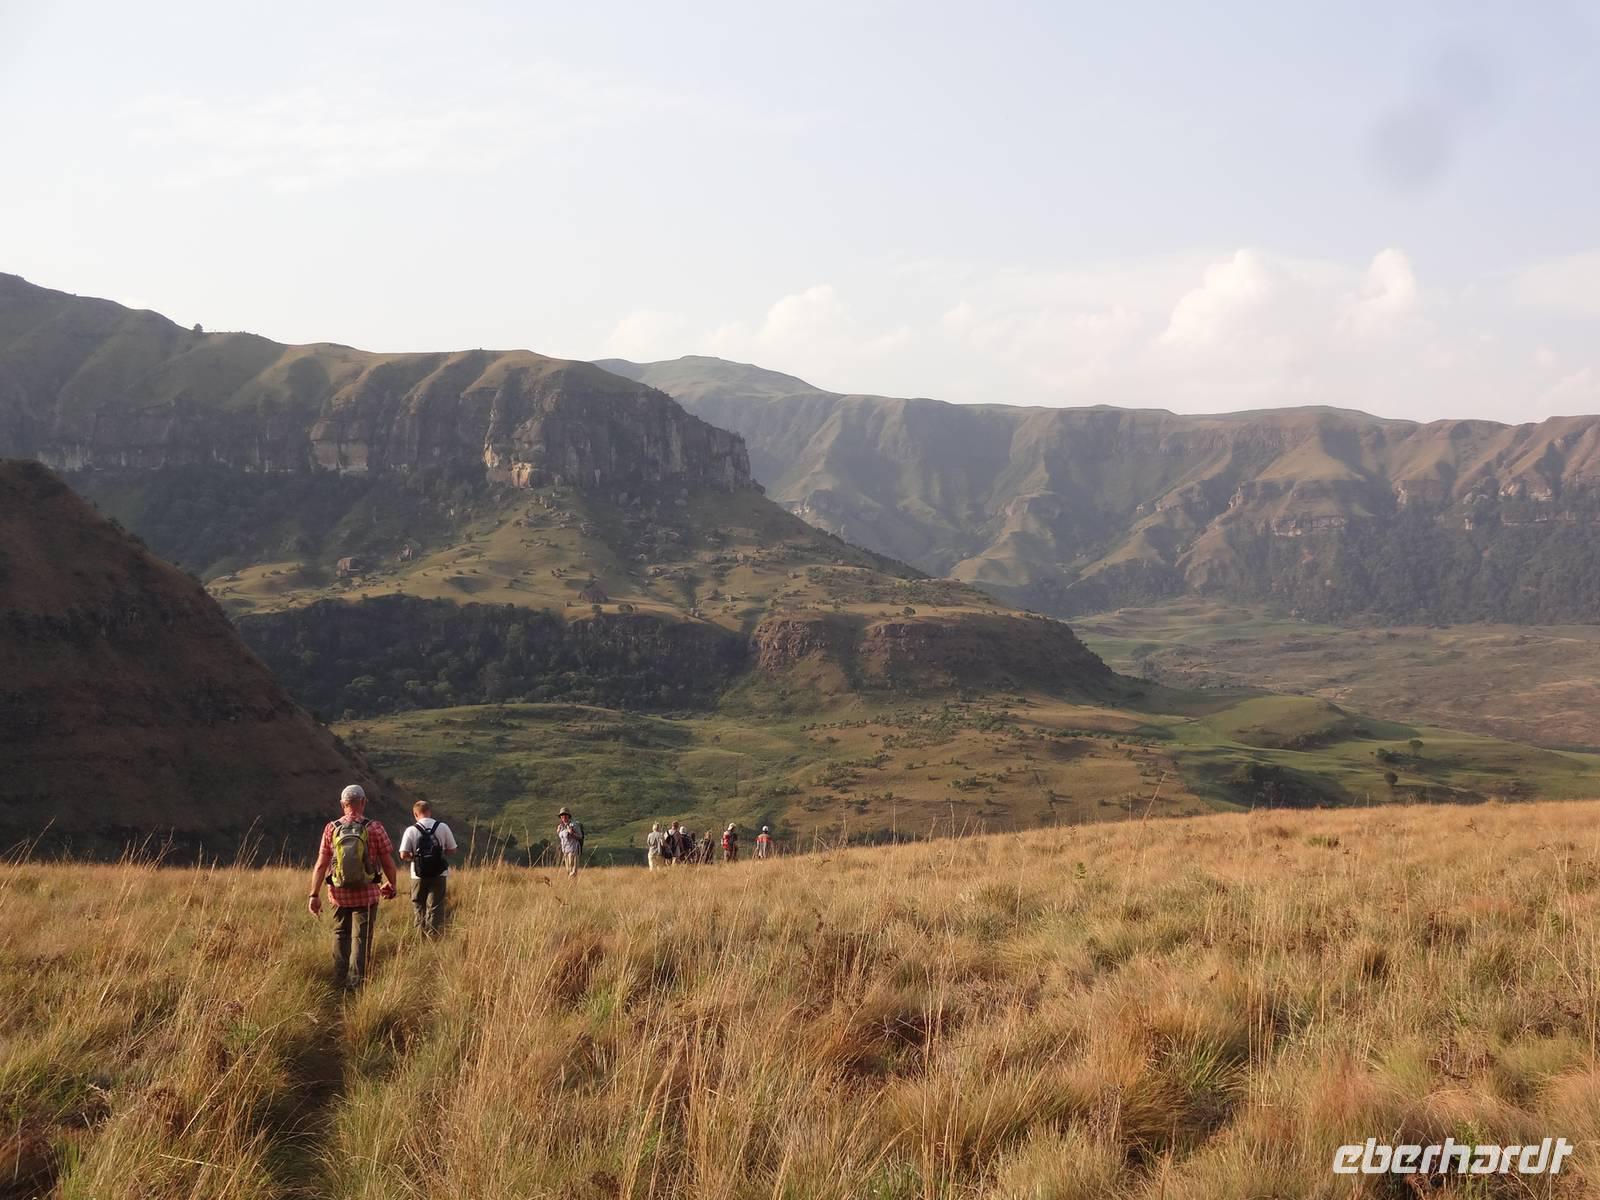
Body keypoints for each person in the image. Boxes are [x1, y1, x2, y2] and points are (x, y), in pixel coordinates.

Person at [308, 784, 398, 990]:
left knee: (341, 933)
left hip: (338, 893)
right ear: (363, 802)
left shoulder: (331, 828)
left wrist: (314, 894)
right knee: (362, 937)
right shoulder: (374, 828)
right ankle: (356, 983)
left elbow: (321, 864)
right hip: (367, 894)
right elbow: (388, 862)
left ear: (343, 804)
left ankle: (339, 980)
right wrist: (392, 884)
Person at [398, 799, 458, 938]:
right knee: (435, 906)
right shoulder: (442, 827)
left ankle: (420, 937)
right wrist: (440, 852)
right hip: (439, 873)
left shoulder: (411, 830)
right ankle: (433, 937)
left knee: (419, 906)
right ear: (429, 812)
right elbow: (452, 849)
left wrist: (414, 857)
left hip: (418, 875)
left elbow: (403, 854)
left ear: (415, 814)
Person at [556, 807, 585, 877]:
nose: (564, 817)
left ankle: (573, 887)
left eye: (565, 815)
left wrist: (571, 833)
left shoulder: (574, 825)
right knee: (568, 871)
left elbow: (580, 836)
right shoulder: (561, 826)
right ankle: (570, 886)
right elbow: (562, 837)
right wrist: (558, 831)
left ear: (569, 816)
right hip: (565, 851)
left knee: (573, 872)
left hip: (573, 850)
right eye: (562, 815)